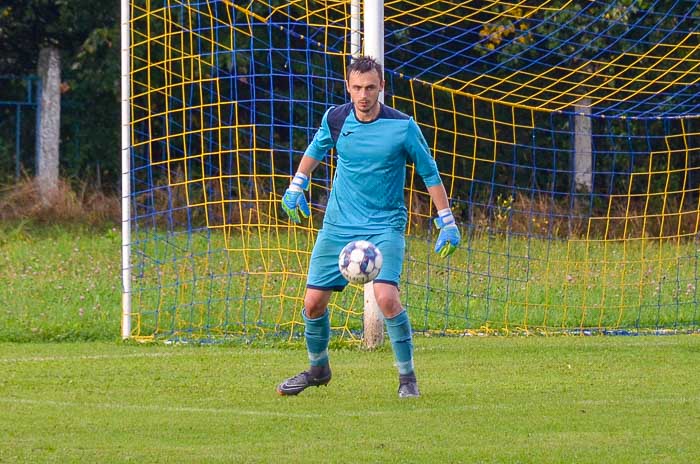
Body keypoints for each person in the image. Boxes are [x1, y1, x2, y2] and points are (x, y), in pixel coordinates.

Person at [277, 56, 460, 398]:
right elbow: (314, 151)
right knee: (313, 303)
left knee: (386, 297)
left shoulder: (402, 126)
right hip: (338, 224)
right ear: (348, 86)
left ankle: (407, 379)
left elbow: (429, 173)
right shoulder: (336, 118)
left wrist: (446, 222)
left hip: (384, 225)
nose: (363, 95)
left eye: (370, 87)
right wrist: (295, 186)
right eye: (357, 87)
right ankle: (318, 369)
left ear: (382, 88)